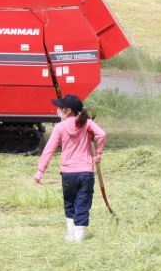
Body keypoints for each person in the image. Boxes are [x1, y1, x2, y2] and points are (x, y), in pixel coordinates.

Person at [33, 94, 107, 242]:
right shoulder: (87, 123)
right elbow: (102, 134)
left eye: (59, 109)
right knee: (83, 203)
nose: (57, 111)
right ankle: (79, 240)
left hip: (68, 174)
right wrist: (98, 154)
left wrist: (39, 172)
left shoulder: (60, 127)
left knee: (69, 202)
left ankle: (70, 235)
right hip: (86, 172)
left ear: (67, 111)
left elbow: (48, 150)